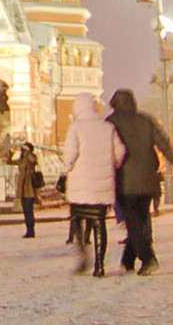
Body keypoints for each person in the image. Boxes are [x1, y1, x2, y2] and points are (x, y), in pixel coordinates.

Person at [105, 88, 173, 276]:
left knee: (132, 221)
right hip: (148, 179)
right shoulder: (146, 120)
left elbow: (104, 151)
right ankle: (128, 259)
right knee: (139, 220)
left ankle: (149, 259)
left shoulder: (110, 123)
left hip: (124, 181)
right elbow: (163, 143)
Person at [62, 93, 126, 277]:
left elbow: (70, 155)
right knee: (100, 225)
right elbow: (120, 152)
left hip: (79, 188)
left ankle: (83, 257)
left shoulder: (76, 128)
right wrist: (110, 166)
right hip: (102, 187)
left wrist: (66, 169)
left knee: (77, 222)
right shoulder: (108, 127)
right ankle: (100, 265)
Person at [6, 141, 40, 237]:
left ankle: (31, 230)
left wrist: (27, 152)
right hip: (22, 189)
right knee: (25, 210)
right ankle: (28, 230)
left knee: (29, 210)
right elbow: (9, 162)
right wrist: (11, 153)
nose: (23, 150)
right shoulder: (21, 159)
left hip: (30, 188)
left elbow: (33, 161)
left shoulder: (32, 157)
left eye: (25, 148)